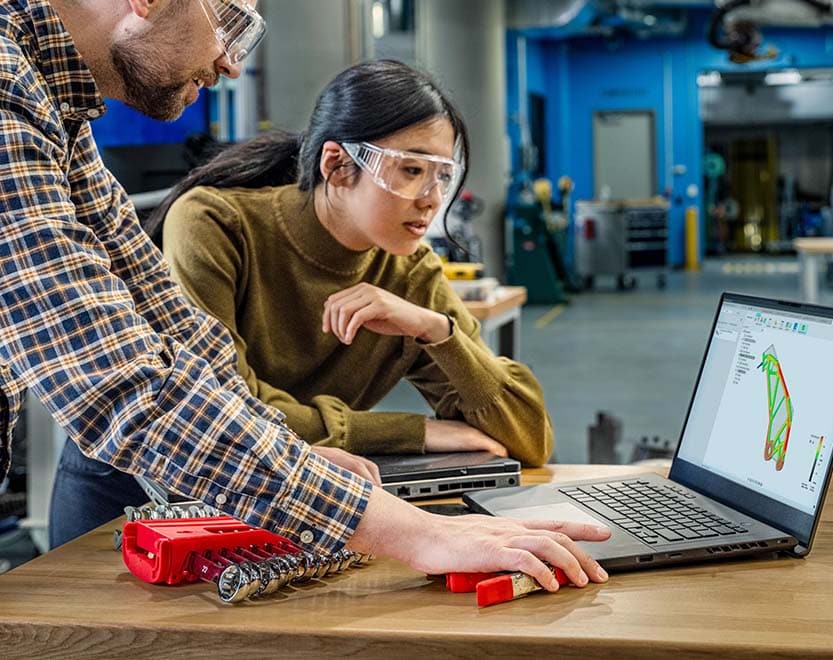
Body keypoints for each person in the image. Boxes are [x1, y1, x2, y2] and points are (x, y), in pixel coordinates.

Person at [2, 0, 607, 593]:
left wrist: (297, 448)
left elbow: (186, 338)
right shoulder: (10, 93)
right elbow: (125, 385)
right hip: (137, 499)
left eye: (441, 175)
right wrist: (415, 527)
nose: (231, 63)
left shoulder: (59, 115)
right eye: (227, 20)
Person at [50, 58, 556, 542]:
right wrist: (413, 432)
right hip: (141, 491)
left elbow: (530, 439)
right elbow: (221, 410)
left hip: (278, 497)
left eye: (442, 173)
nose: (432, 197)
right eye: (410, 170)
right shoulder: (214, 223)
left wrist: (438, 331)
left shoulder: (410, 272)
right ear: (337, 165)